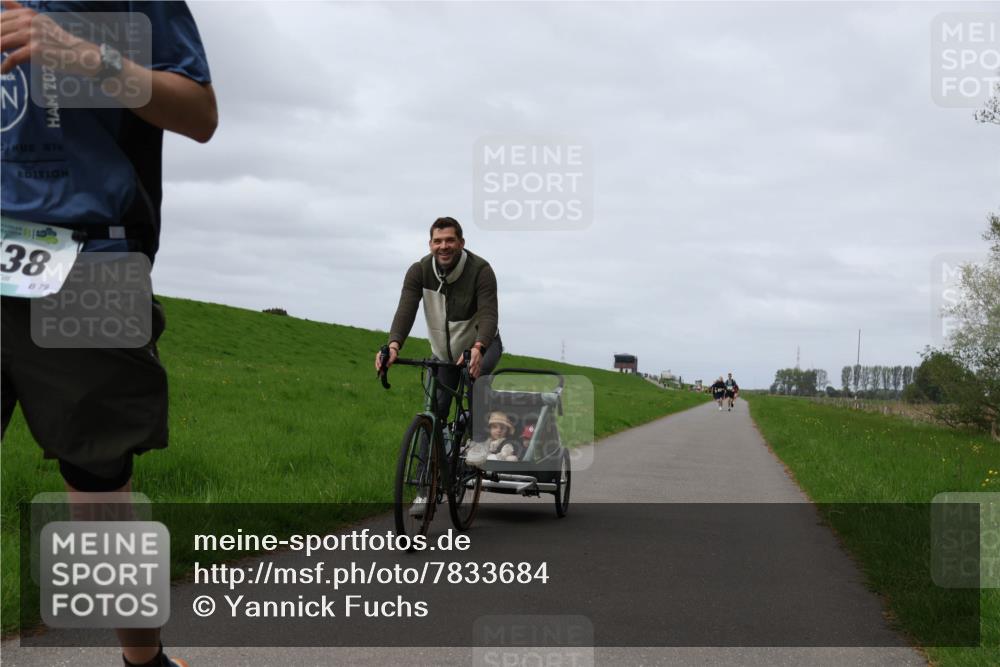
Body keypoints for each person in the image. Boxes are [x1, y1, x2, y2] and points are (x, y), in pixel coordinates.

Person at [1, 3, 216, 666]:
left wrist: (89, 57)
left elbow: (199, 113)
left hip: (84, 252)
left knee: (97, 487)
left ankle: (143, 660)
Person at [375, 217, 502, 507]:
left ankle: (479, 438)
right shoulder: (420, 271)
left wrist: (479, 346)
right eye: (437, 241)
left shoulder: (481, 271)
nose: (443, 246)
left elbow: (488, 315)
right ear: (430, 244)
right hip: (444, 355)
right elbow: (406, 309)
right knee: (433, 413)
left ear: (461, 243)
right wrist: (393, 345)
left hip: (484, 344)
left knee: (477, 378)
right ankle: (424, 489)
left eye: (449, 240)